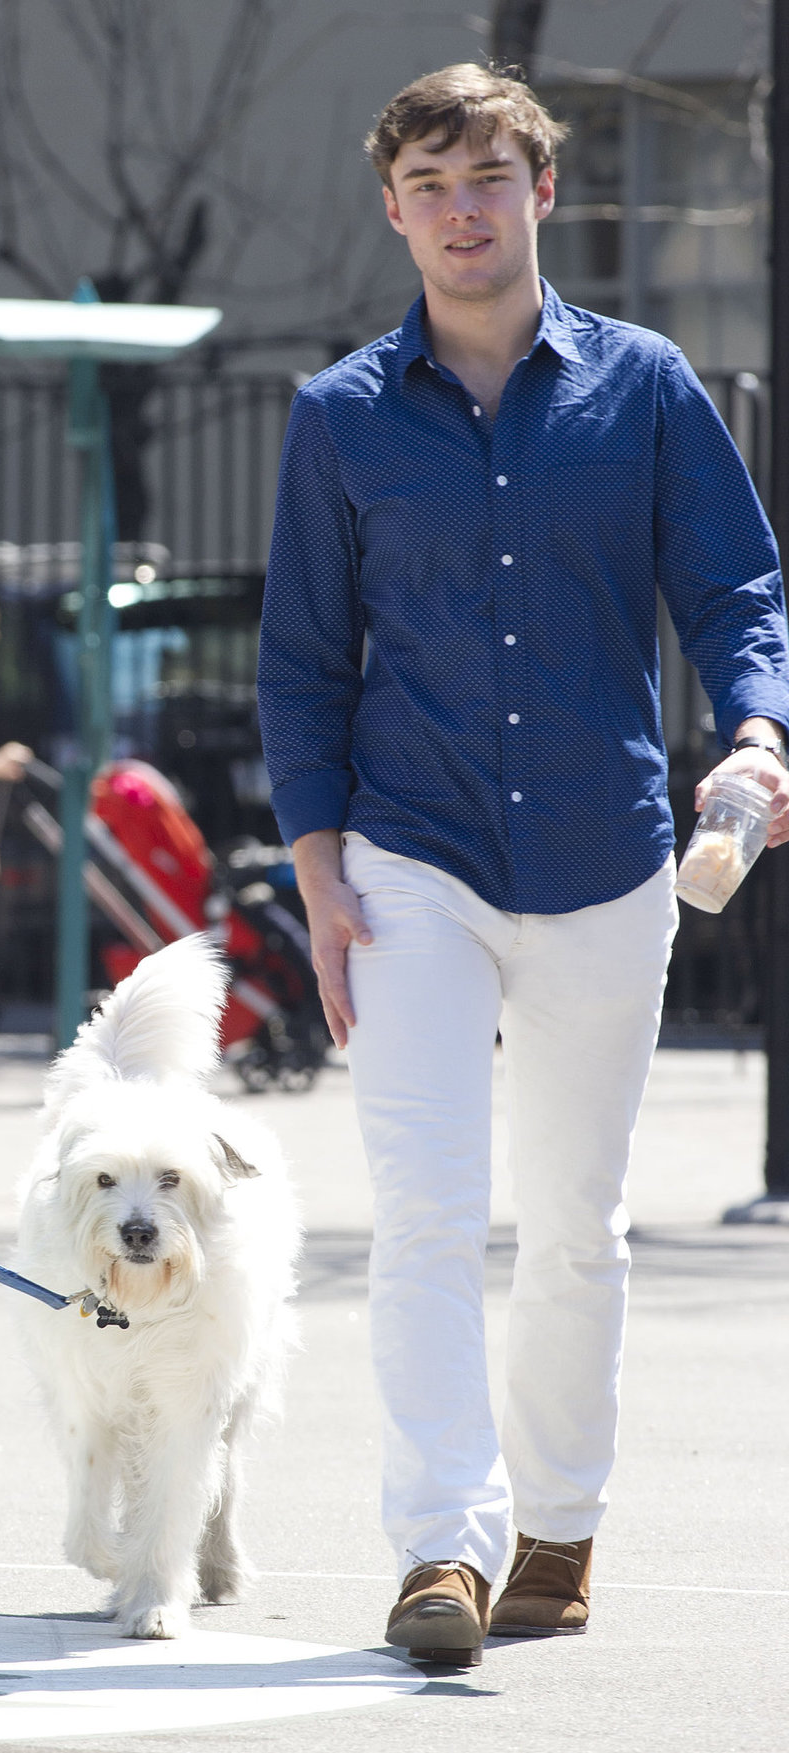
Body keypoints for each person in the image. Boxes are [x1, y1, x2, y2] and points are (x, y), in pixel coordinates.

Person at [257, 63, 789, 1665]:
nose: (461, 210)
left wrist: (757, 734)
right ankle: (440, 1551)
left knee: (575, 1220)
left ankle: (559, 1525)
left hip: (611, 855)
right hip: (413, 857)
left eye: (488, 177)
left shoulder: (643, 388)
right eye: (429, 185)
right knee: (424, 1210)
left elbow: (737, 591)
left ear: (541, 191)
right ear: (394, 208)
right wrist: (318, 865)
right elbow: (301, 664)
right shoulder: (338, 414)